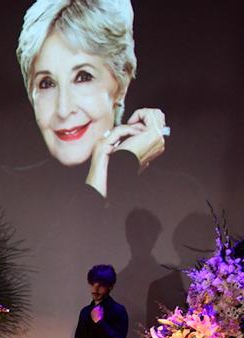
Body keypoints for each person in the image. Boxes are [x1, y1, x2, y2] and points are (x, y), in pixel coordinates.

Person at [16, 0, 166, 197]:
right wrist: (121, 166)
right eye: (46, 83)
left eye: (83, 77)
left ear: (121, 84)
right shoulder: (4, 189)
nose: (63, 109)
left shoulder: (179, 192)